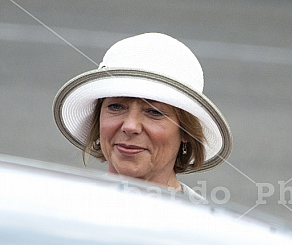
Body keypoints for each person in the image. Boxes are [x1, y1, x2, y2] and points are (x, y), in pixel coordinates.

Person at [53, 32, 232, 198]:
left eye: (154, 112)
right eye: (115, 107)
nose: (130, 126)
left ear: (186, 131)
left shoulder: (204, 226)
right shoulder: (62, 208)